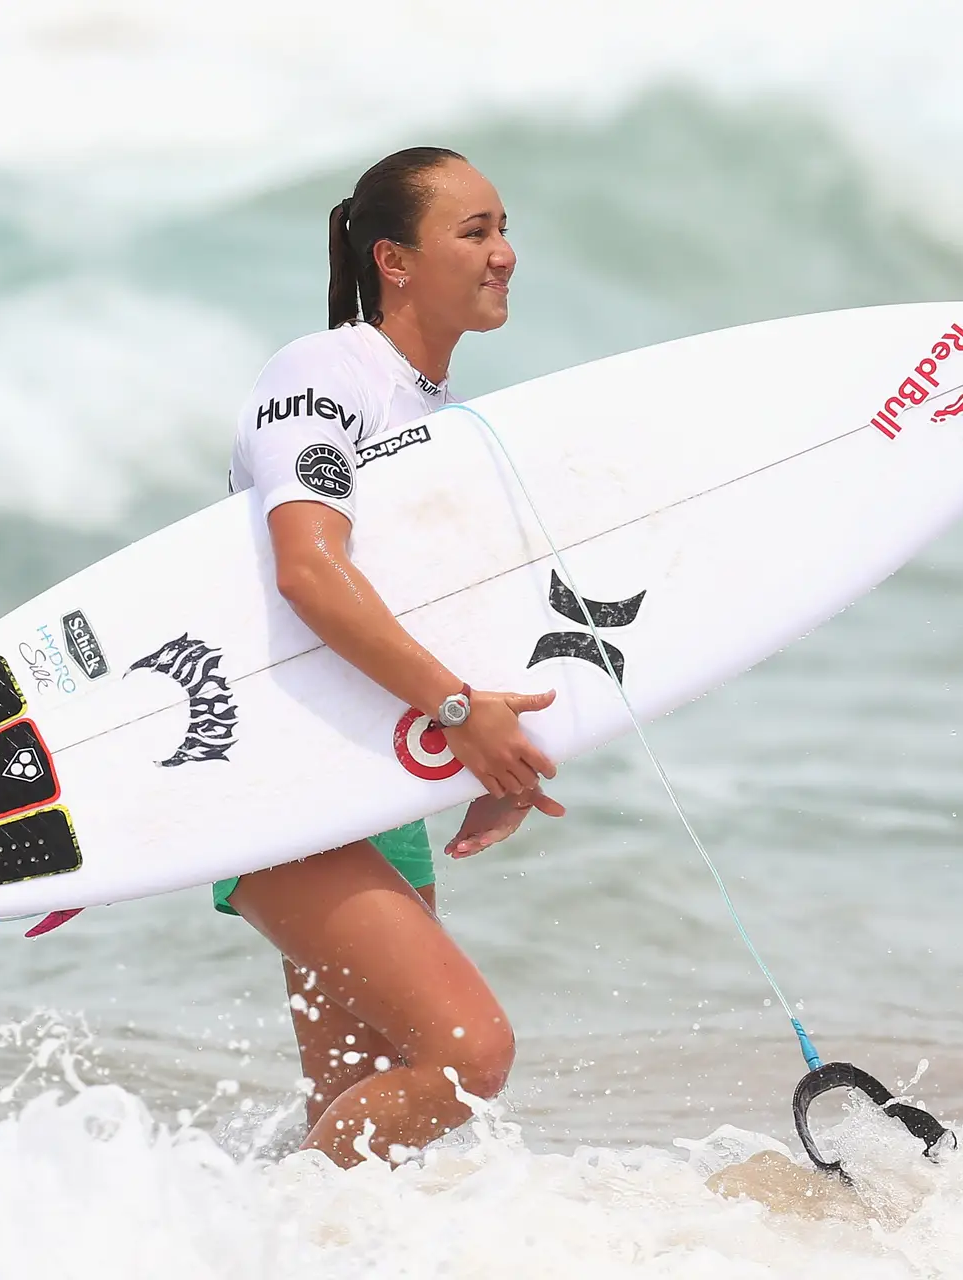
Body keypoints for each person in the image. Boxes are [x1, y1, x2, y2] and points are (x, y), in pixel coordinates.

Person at [218, 146, 563, 1167]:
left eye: (504, 228)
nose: (505, 254)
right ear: (394, 261)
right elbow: (309, 574)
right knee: (467, 1055)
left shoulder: (435, 413)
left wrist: (480, 748)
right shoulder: (324, 373)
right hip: (282, 782)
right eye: (475, 231)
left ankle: (263, 1239)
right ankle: (258, 1227)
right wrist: (460, 712)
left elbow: (411, 614)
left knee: (366, 1117)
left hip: (368, 784)